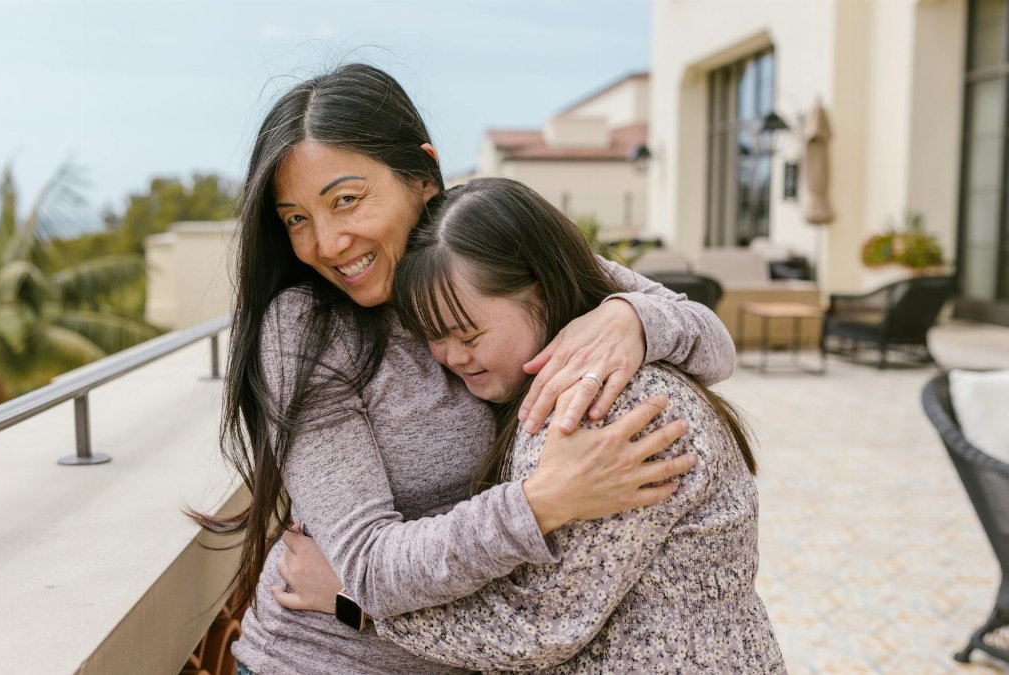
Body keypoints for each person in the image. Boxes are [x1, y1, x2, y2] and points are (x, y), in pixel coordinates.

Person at [192, 63, 738, 674]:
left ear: (423, 176)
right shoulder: (306, 330)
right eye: (297, 219)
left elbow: (715, 346)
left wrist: (629, 318)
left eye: (346, 200)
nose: (326, 242)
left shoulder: (480, 247)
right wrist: (540, 503)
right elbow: (367, 567)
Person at [274, 177, 785, 672]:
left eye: (469, 336)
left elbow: (541, 626)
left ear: (541, 292)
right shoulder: (548, 373)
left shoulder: (604, 405)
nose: (451, 358)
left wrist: (352, 606)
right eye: (432, 337)